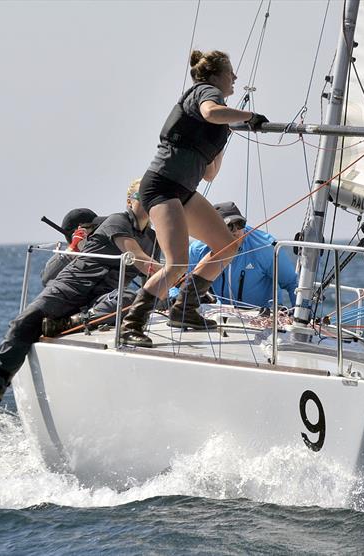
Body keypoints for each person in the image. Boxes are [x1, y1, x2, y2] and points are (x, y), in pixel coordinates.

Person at [0, 181, 161, 419]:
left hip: (101, 298)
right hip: (70, 286)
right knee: (23, 322)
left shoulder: (153, 239)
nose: (149, 200)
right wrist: (174, 274)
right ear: (130, 201)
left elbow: (153, 281)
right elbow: (141, 261)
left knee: (131, 297)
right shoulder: (117, 222)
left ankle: (70, 323)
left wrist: (184, 295)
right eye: (143, 195)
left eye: (154, 196)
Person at [120, 49, 268, 347]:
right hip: (161, 186)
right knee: (176, 264)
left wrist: (226, 134)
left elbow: (210, 173)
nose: (235, 78)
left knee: (227, 246)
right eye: (231, 73)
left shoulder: (219, 116)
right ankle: (131, 323)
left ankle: (185, 307)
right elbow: (210, 112)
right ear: (216, 74)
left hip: (183, 189)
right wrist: (249, 116)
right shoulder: (205, 92)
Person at [174, 202, 297, 310]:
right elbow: (180, 283)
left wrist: (301, 317)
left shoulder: (265, 247)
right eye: (229, 225)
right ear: (214, 228)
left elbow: (292, 283)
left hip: (263, 319)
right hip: (217, 314)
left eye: (240, 224)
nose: (236, 231)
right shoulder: (197, 250)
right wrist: (174, 300)